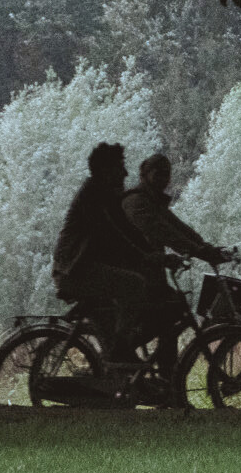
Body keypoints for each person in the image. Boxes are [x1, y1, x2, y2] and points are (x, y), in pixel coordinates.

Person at [51, 143, 176, 364]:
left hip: (84, 269)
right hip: (75, 270)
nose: (125, 173)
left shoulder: (106, 194)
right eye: (120, 167)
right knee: (134, 284)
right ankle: (121, 350)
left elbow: (128, 230)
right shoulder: (92, 195)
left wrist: (153, 255)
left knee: (117, 330)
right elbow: (112, 234)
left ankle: (117, 362)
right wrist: (145, 256)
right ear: (105, 170)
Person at [122, 153, 232, 269]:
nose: (163, 179)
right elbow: (164, 231)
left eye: (166, 174)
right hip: (135, 271)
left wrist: (208, 249)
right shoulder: (136, 202)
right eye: (158, 174)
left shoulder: (152, 202)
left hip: (147, 269)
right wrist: (202, 251)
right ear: (146, 174)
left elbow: (180, 228)